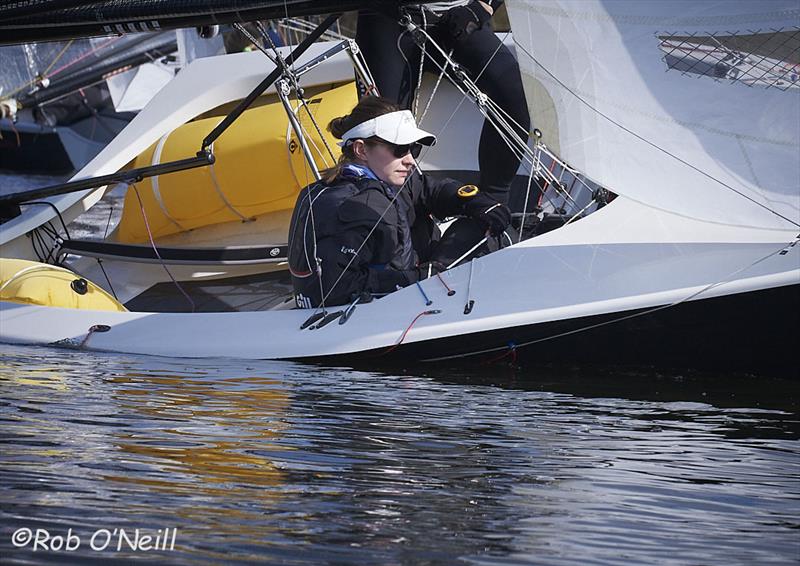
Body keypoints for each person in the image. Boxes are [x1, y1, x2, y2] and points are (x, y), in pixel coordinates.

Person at [287, 96, 511, 309]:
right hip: (385, 310)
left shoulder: (382, 178)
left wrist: (477, 202)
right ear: (361, 150)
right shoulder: (356, 206)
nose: (410, 160)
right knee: (482, 236)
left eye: (413, 149)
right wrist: (419, 277)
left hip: (410, 283)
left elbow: (431, 190)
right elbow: (335, 288)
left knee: (478, 223)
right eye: (400, 149)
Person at [355, 1, 530, 207]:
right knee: (383, 125)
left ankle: (491, 206)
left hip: (457, 17)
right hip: (386, 17)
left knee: (517, 93)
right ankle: (391, 210)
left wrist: (482, 7)